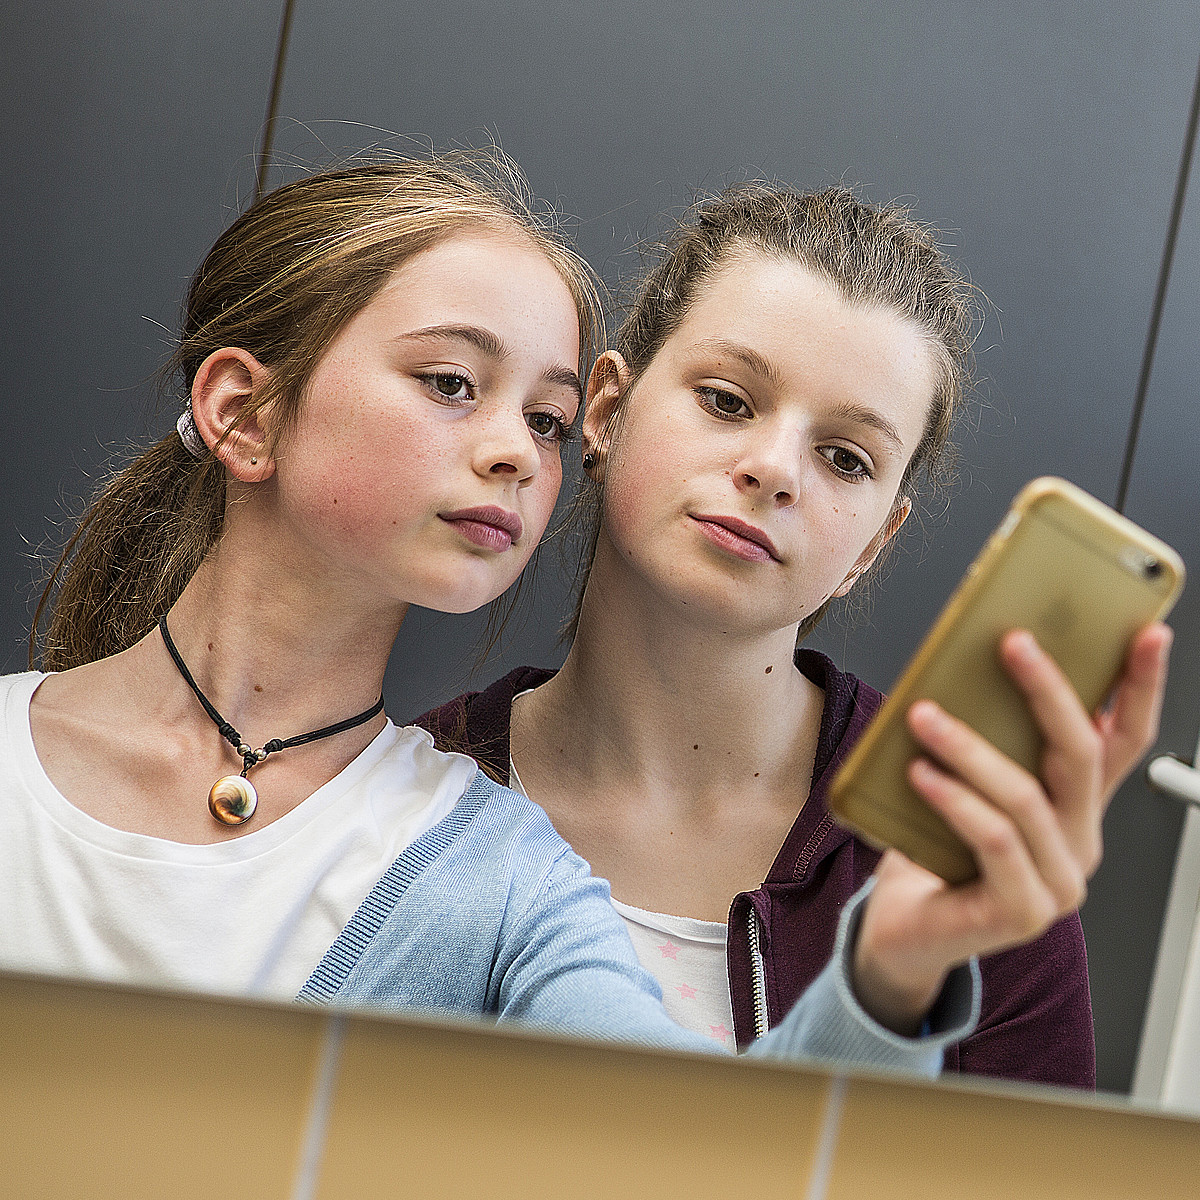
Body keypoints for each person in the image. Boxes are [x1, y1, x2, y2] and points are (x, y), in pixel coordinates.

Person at [3, 155, 981, 1075]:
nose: (516, 448)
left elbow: (712, 1146)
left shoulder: (505, 872)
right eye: (453, 383)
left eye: (542, 418)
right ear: (244, 412)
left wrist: (886, 981)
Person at [417, 182, 1173, 1086]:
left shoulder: (968, 858)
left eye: (844, 459)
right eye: (729, 401)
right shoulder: (411, 798)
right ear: (607, 411)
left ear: (872, 544)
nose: (774, 470)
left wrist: (899, 977)